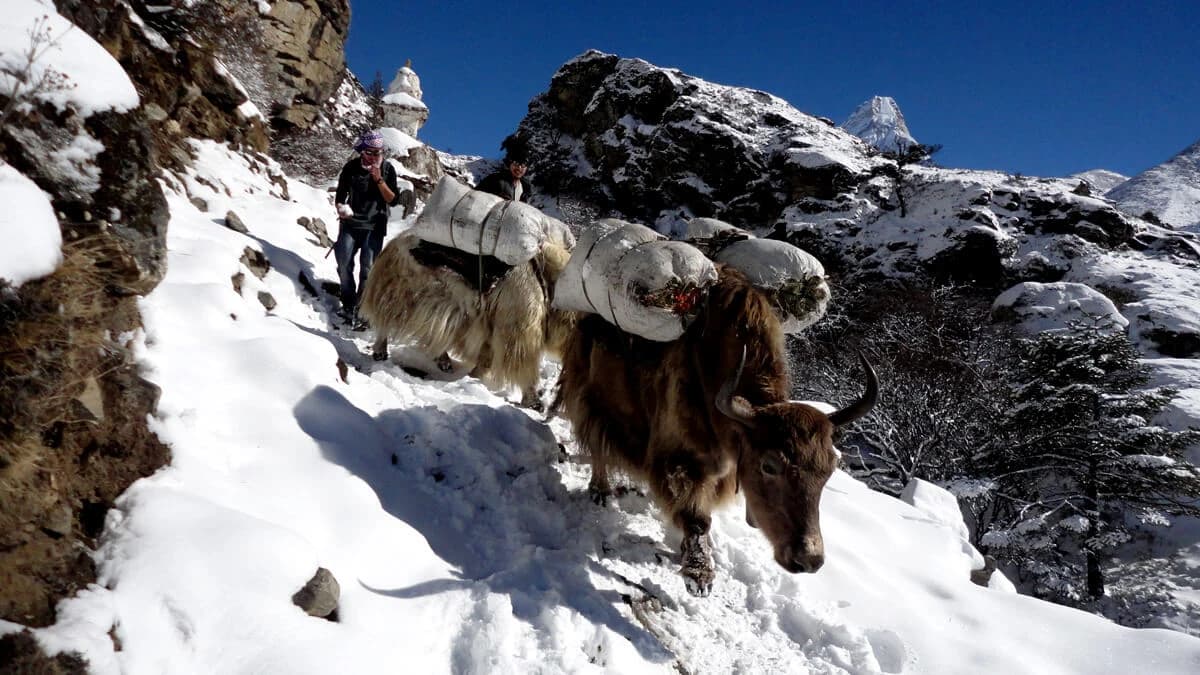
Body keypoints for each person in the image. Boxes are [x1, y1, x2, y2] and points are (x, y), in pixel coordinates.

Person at [333, 130, 401, 328]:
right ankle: (348, 303)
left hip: (374, 225)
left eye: (378, 152)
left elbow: (393, 200)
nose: (375, 156)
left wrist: (378, 179)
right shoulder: (351, 168)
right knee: (343, 261)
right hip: (351, 224)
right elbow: (340, 195)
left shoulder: (387, 170)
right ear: (362, 152)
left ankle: (363, 310)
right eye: (370, 152)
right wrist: (341, 208)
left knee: (367, 269)